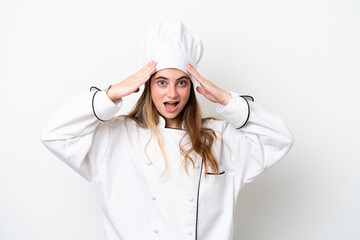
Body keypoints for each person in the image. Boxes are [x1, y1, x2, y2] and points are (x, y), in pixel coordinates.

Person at [41, 20, 293, 240]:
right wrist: (110, 95)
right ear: (147, 84)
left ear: (192, 86)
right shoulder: (116, 137)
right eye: (162, 82)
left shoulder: (219, 138)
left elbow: (280, 139)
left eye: (181, 83)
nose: (172, 93)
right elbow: (54, 134)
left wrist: (227, 100)